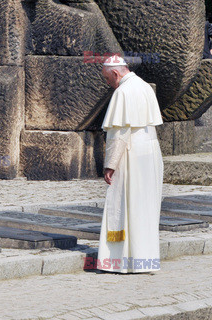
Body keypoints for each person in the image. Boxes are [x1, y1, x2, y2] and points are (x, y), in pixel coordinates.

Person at [96, 55, 164, 273]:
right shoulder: (144, 86)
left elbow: (119, 134)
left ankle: (122, 261)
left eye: (108, 79)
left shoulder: (123, 92)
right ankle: (145, 259)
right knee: (145, 206)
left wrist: (110, 165)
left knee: (127, 204)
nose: (108, 83)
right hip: (151, 152)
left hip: (131, 153)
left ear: (116, 73)